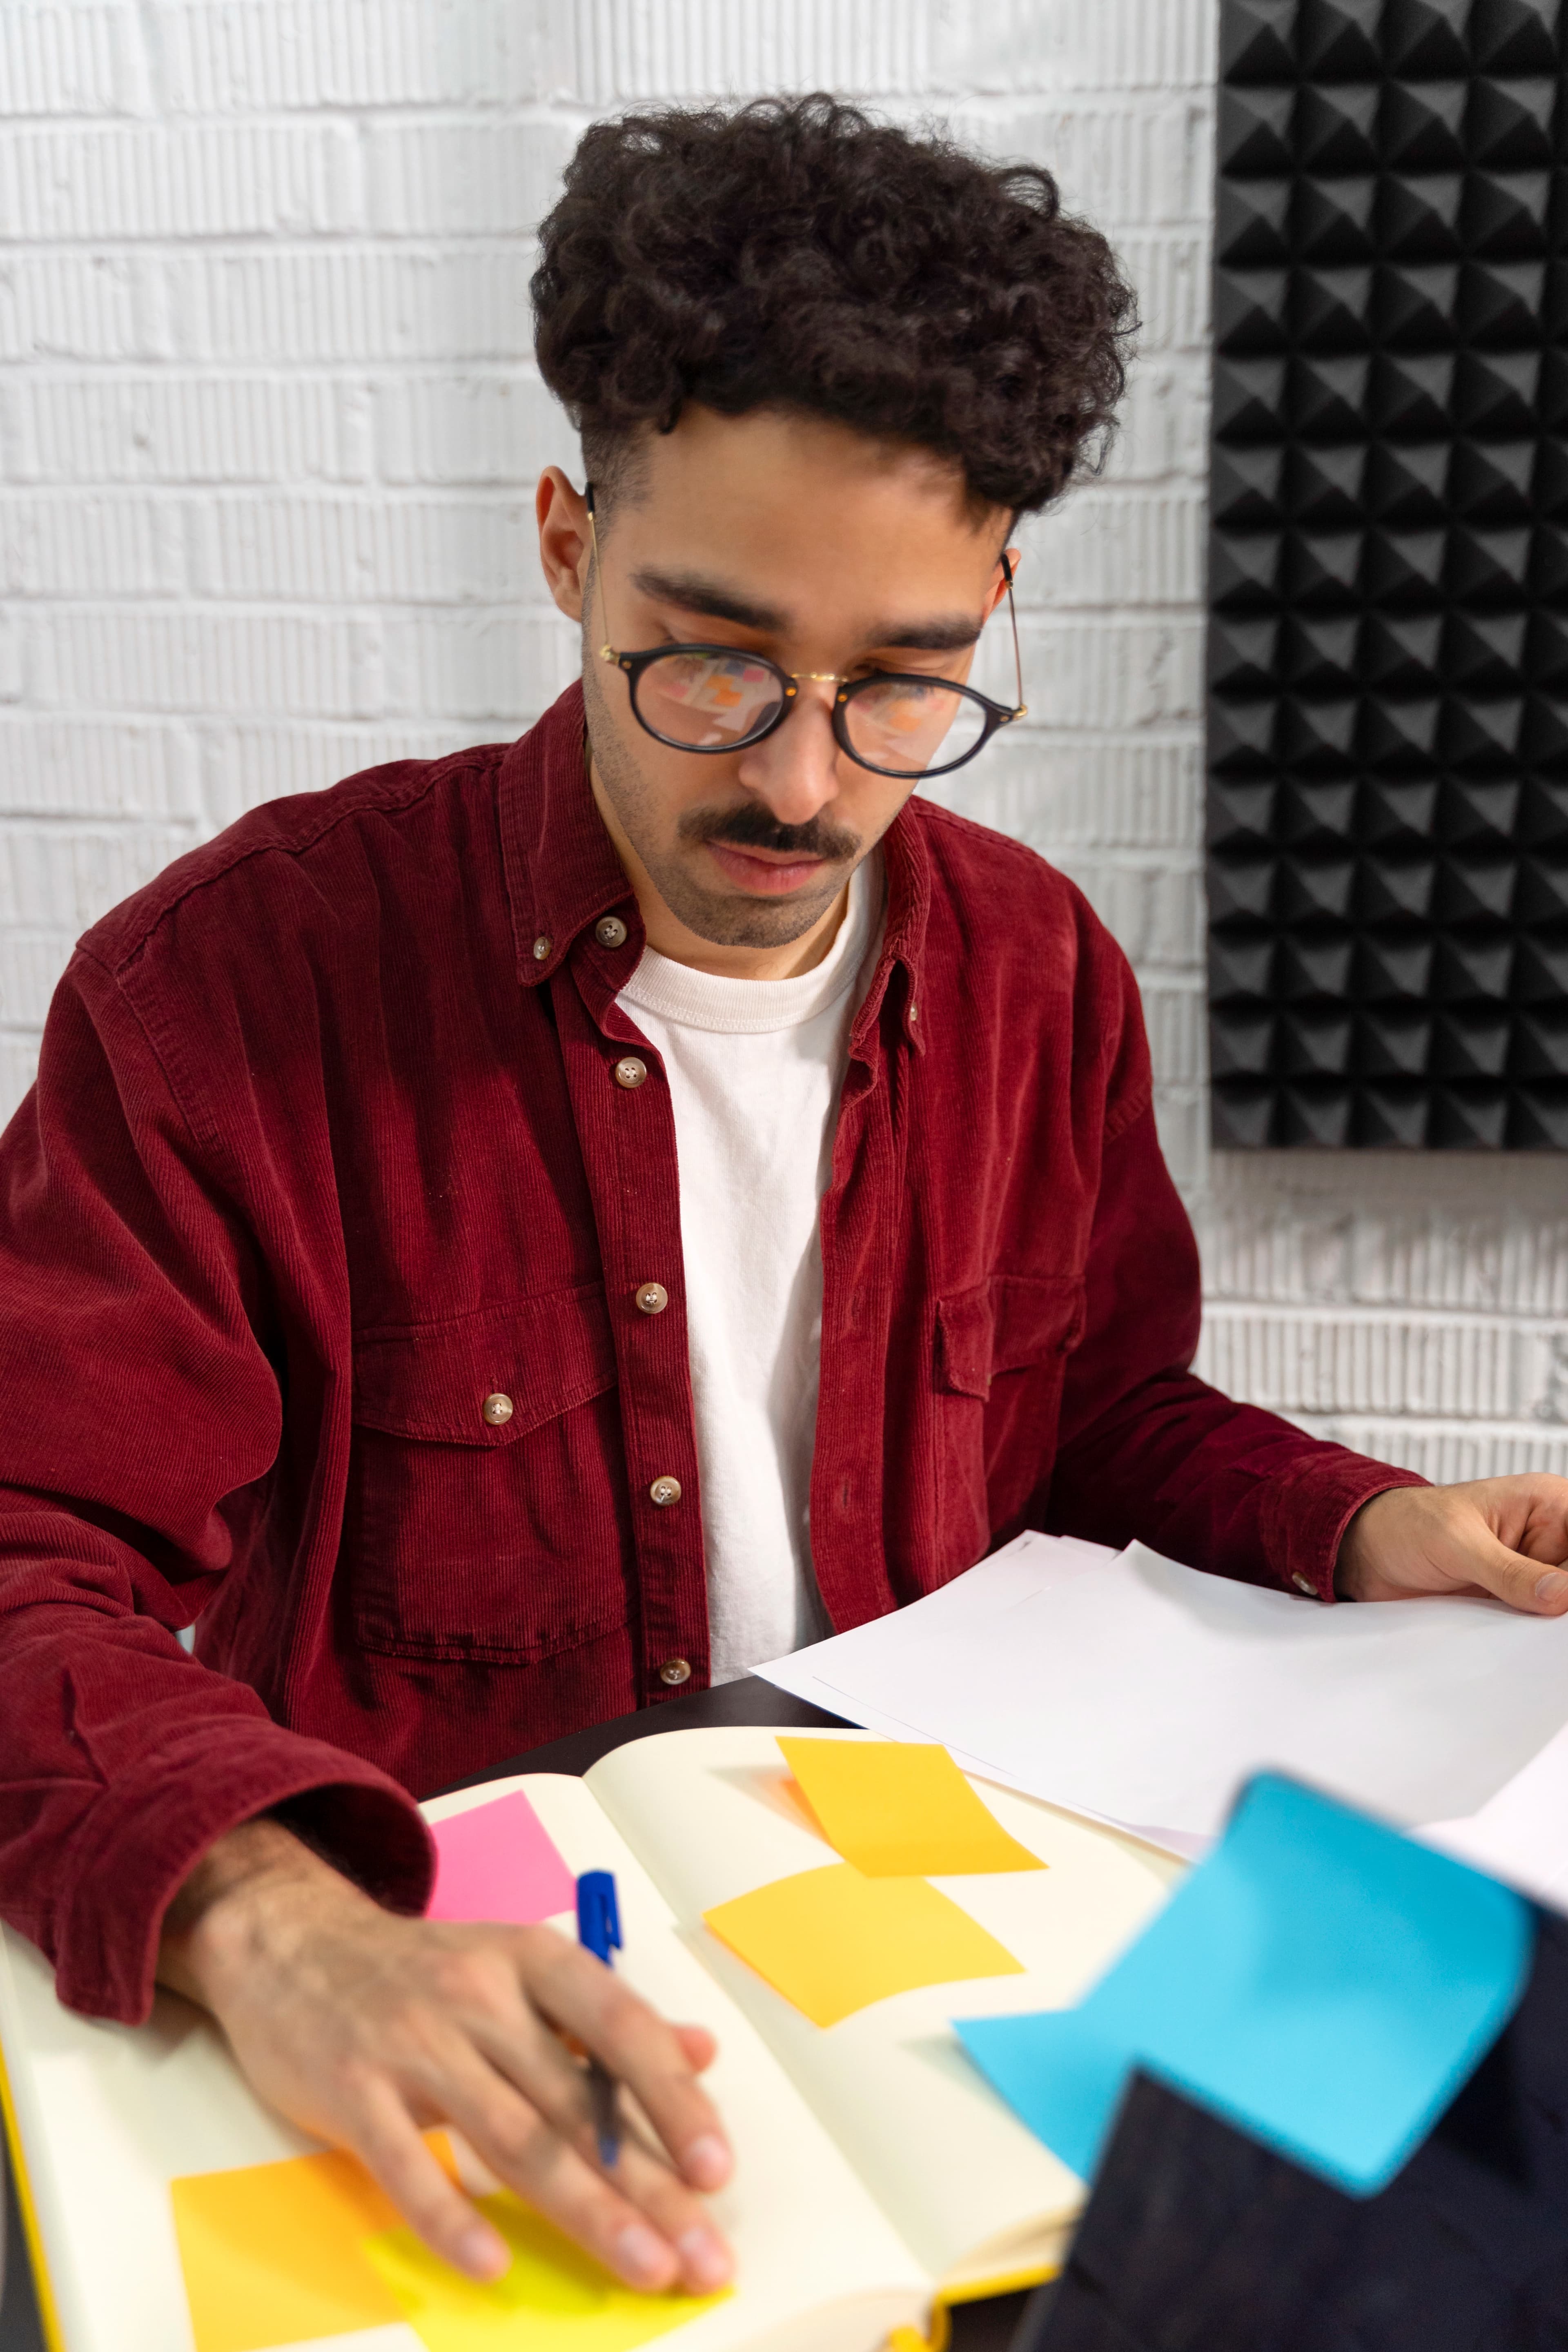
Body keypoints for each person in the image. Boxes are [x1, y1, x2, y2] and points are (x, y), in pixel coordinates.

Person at [3, 91, 1567, 2303]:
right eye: (712, 657)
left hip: (939, 1935)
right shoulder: (227, 993)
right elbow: (22, 1552)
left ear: (996, 598)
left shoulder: (1040, 970)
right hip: (470, 1982)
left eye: (905, 681)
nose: (803, 779)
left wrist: (1358, 1522)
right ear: (568, 546)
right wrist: (270, 1918)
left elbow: (1095, 1417)